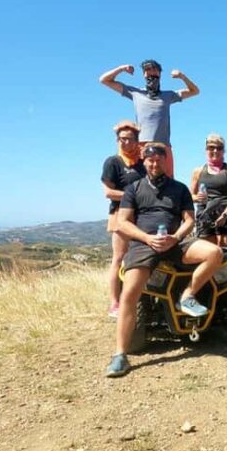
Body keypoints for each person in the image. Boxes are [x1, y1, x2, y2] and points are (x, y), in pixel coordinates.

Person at [105, 144, 223, 378]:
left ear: (165, 162)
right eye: (150, 160)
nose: (154, 164)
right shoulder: (133, 188)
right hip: (143, 244)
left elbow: (189, 220)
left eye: (159, 160)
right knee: (129, 294)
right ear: (144, 161)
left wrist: (176, 237)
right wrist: (147, 238)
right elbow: (123, 222)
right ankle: (120, 355)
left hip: (175, 242)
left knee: (215, 254)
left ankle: (187, 296)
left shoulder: (179, 189)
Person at [98, 59, 200, 177]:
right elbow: (104, 80)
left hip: (163, 145)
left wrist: (182, 77)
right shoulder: (135, 93)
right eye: (147, 70)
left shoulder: (168, 95)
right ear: (144, 74)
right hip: (142, 145)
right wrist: (121, 69)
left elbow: (195, 91)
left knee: (168, 183)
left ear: (160, 73)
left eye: (154, 69)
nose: (151, 72)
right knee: (140, 181)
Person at [101, 120, 146, 319]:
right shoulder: (113, 162)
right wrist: (132, 196)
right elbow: (108, 192)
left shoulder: (142, 163)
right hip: (119, 215)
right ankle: (115, 302)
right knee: (119, 258)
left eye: (128, 139)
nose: (124, 143)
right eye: (121, 139)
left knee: (139, 257)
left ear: (136, 141)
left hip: (142, 216)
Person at [190, 133, 227, 248]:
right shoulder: (198, 171)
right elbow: (190, 196)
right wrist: (196, 197)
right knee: (207, 254)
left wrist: (224, 216)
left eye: (219, 148)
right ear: (206, 150)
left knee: (225, 255)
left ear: (224, 151)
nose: (215, 151)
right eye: (211, 147)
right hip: (205, 217)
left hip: (226, 216)